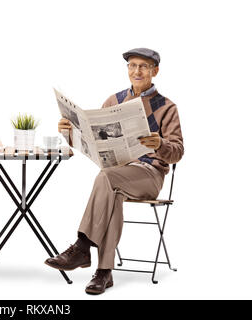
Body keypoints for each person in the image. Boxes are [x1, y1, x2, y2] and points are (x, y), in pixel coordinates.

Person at [47, 48, 184, 295]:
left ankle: (82, 246)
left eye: (143, 66)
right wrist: (68, 132)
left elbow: (178, 151)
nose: (137, 71)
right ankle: (104, 273)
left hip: (149, 174)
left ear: (155, 71)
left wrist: (160, 144)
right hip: (118, 175)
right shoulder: (114, 101)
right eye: (132, 66)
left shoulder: (167, 107)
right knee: (113, 190)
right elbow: (93, 140)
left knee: (106, 178)